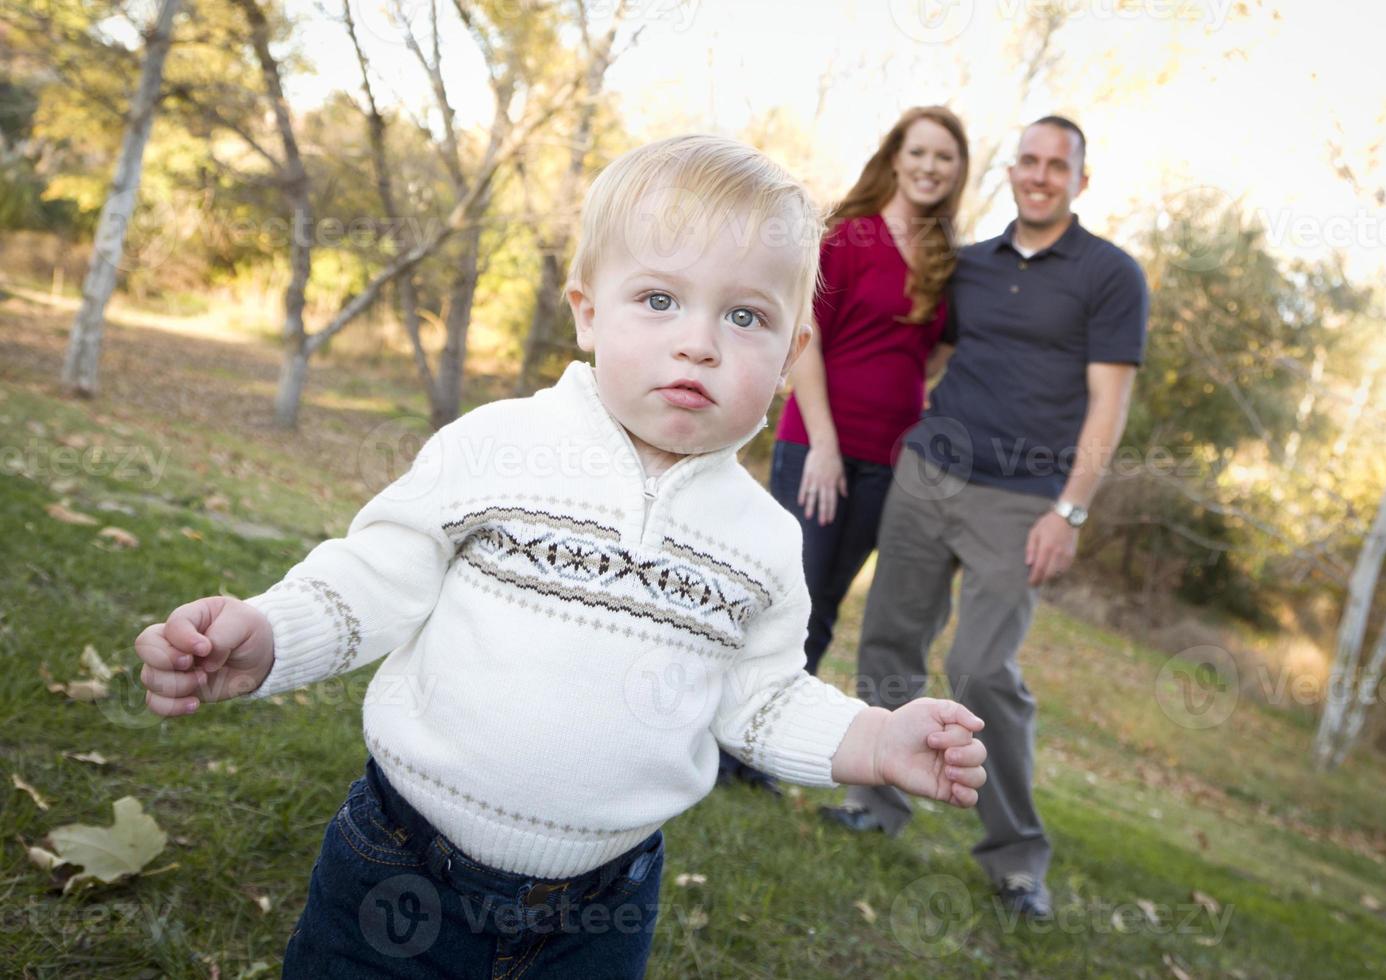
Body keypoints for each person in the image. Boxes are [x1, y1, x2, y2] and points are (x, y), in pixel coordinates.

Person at [133, 135, 993, 978]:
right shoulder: (500, 446)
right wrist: (270, 632)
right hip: (398, 866)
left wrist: (874, 739)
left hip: (599, 910)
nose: (699, 341)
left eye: (745, 316)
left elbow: (758, 695)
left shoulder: (763, 540)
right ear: (587, 309)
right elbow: (373, 577)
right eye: (658, 299)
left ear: (790, 356)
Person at [822, 116, 1149, 923]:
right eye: (1028, 161)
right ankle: (878, 800)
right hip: (930, 472)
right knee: (890, 640)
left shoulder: (1111, 275)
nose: (1040, 175)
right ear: (1011, 171)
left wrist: (1069, 511)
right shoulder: (966, 266)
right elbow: (928, 354)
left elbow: (1110, 403)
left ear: (1081, 178)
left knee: (980, 670)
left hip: (1023, 500)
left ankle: (1015, 860)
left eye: (1057, 165)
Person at [717, 106, 969, 797]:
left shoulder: (944, 259)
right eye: (918, 152)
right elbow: (808, 339)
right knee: (782, 597)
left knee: (823, 606)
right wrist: (824, 445)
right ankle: (715, 734)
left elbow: (935, 350)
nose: (929, 166)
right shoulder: (847, 238)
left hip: (889, 462)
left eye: (943, 157)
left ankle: (759, 748)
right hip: (818, 445)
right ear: (895, 157)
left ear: (956, 172)